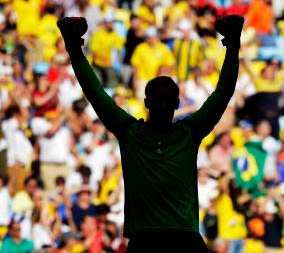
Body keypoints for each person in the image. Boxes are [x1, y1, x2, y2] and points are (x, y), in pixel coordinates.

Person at [57, 14, 244, 252]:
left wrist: (74, 48)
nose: (164, 106)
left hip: (150, 241)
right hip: (180, 240)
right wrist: (233, 45)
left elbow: (95, 93)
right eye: (161, 101)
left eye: (167, 102)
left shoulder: (131, 131)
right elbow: (223, 92)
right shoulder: (185, 132)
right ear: (149, 102)